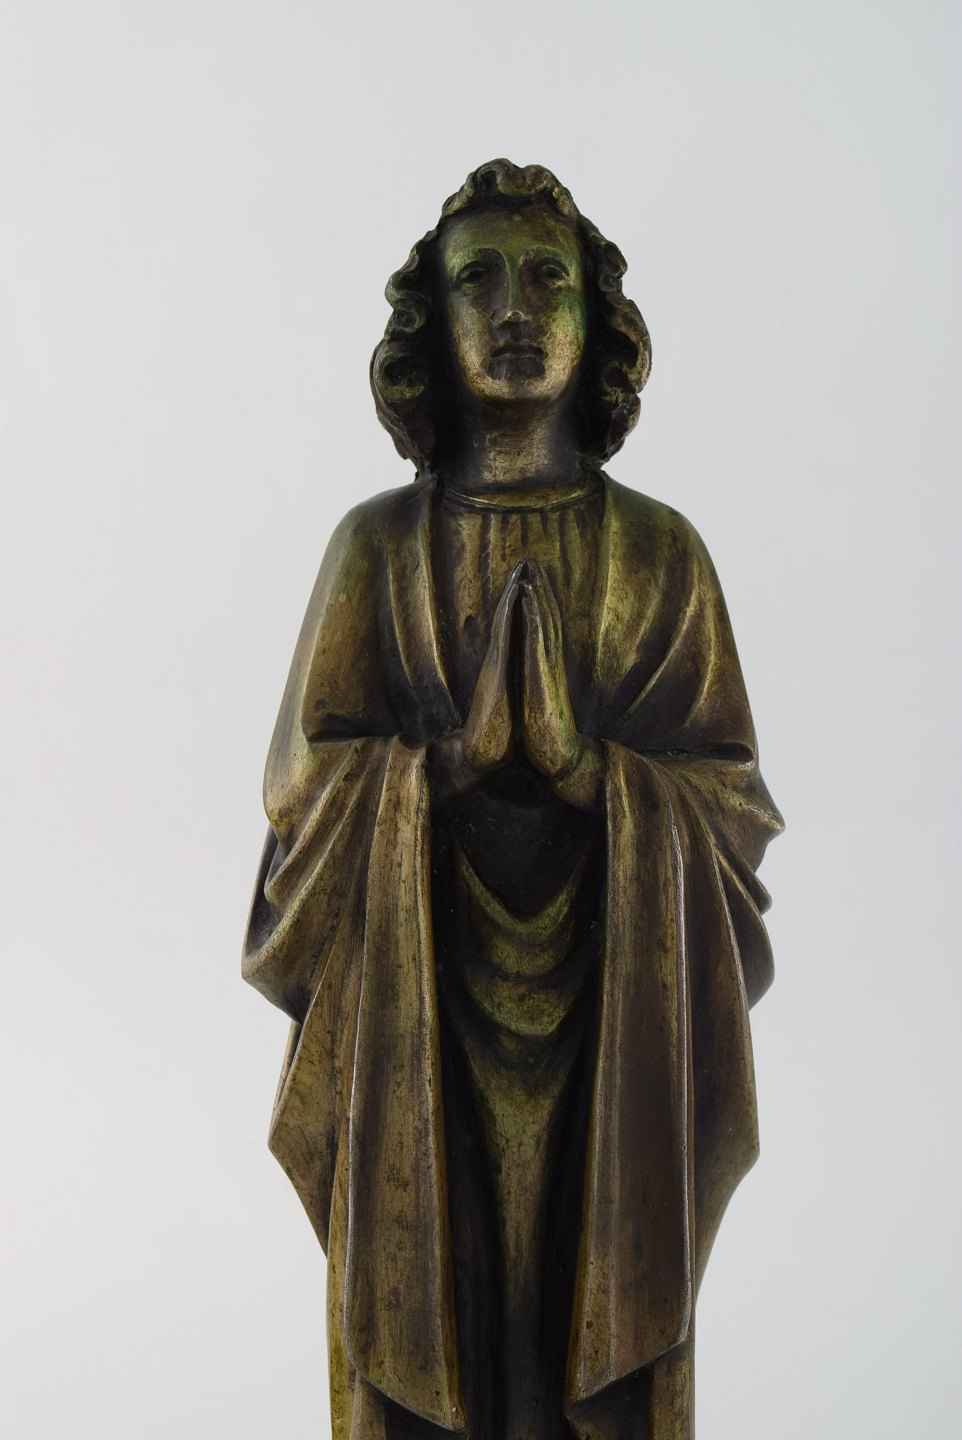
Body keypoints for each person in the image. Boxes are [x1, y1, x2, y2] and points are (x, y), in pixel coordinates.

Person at [243, 159, 782, 1440]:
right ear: (429, 322)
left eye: (547, 278)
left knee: (585, 1290)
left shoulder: (658, 555)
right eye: (475, 279)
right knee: (437, 1286)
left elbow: (731, 807)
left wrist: (593, 775)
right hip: (416, 999)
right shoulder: (377, 549)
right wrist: (443, 766)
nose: (512, 309)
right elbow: (299, 796)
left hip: (613, 1005)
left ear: (600, 320)